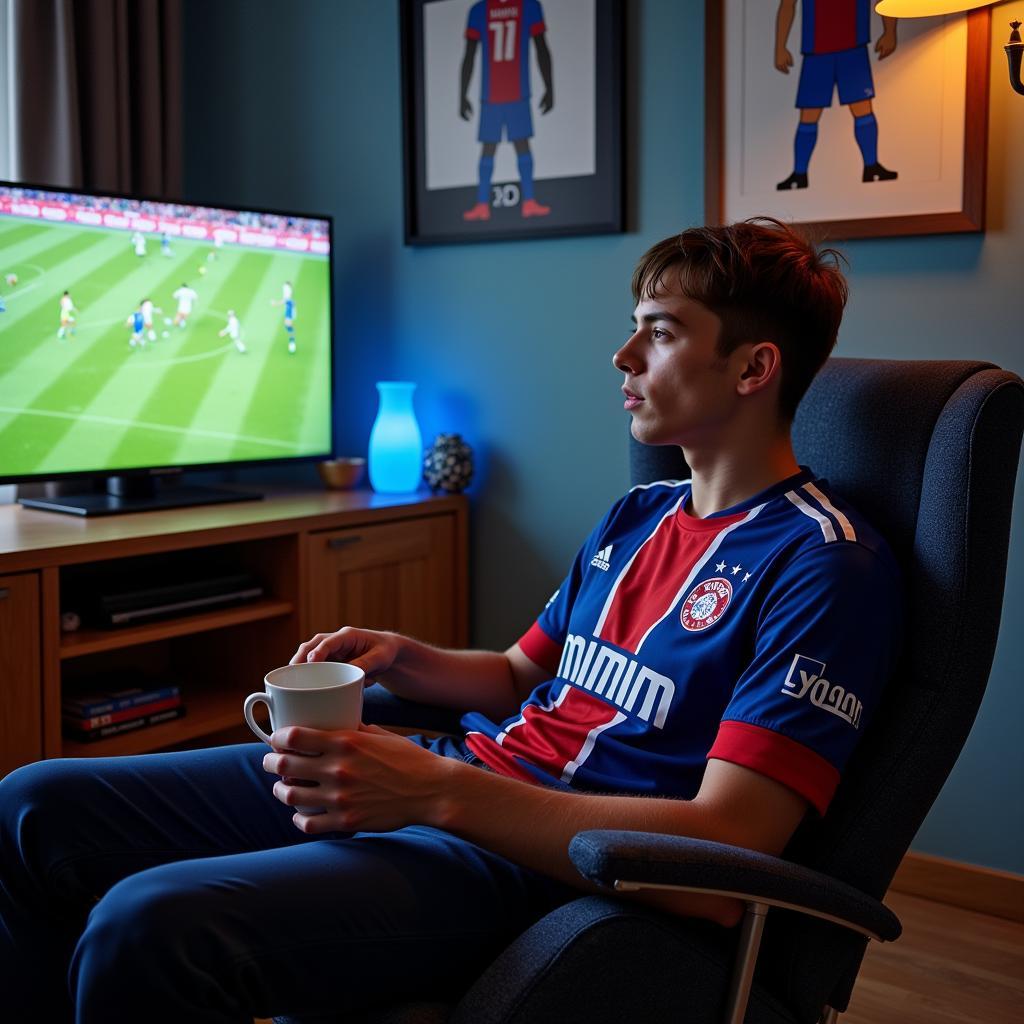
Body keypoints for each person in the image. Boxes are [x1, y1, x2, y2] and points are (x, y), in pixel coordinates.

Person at [0, 218, 902, 1024]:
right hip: (463, 775)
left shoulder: (824, 565)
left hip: (539, 861)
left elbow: (731, 844)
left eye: (659, 333)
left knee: (149, 927)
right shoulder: (640, 516)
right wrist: (405, 658)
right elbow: (519, 675)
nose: (622, 356)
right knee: (31, 803)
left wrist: (436, 795)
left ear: (753, 367)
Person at [775, 0, 898, 190]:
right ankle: (799, 174)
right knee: (809, 114)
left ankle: (871, 166)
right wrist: (780, 47)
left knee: (862, 108)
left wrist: (890, 32)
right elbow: (787, 4)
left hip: (853, 47)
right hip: (816, 51)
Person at [459, 0, 554, 221]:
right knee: (492, 148)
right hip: (495, 96)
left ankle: (528, 201)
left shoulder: (486, 10)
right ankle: (483, 204)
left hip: (513, 94)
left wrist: (462, 96)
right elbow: (542, 48)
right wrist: (550, 88)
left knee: (517, 145)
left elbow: (469, 56)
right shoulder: (484, 10)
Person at [271, 280, 297, 353]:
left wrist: (274, 303)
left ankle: (292, 343)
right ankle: (292, 340)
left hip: (290, 308)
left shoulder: (287, 290)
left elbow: (284, 300)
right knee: (287, 325)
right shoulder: (286, 289)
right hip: (289, 307)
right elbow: (285, 299)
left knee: (288, 325)